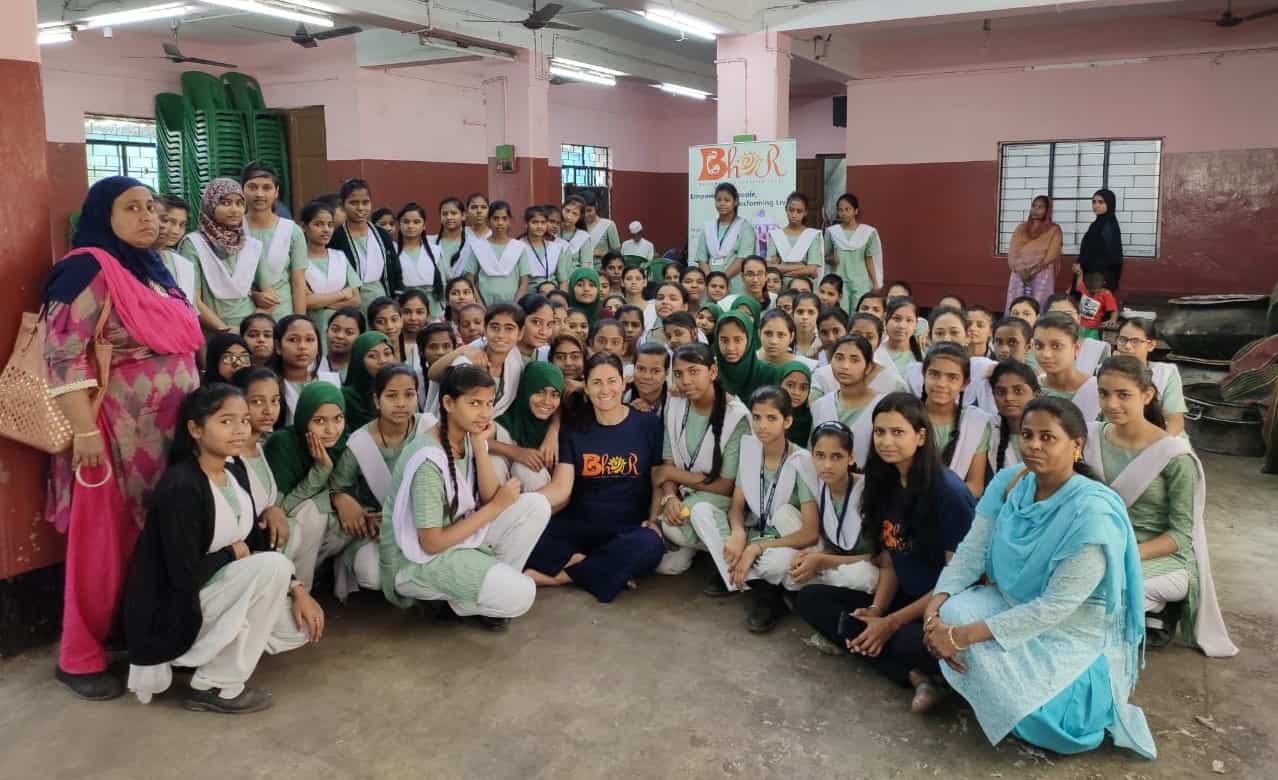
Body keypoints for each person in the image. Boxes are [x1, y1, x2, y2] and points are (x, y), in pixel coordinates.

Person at [44, 176, 204, 700]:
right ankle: (79, 655)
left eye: (152, 208)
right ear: (102, 215)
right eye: (131, 208)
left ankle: (136, 635)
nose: (148, 217)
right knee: (102, 544)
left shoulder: (155, 271)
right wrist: (84, 430)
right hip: (112, 435)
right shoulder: (88, 267)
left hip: (166, 433)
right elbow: (61, 354)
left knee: (151, 538)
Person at [924, 397, 1155, 758]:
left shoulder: (1092, 513)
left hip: (1070, 630)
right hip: (1012, 601)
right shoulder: (1008, 482)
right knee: (954, 610)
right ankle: (995, 693)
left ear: (1076, 445)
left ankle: (1027, 699)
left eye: (1048, 437)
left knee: (1061, 730)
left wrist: (959, 637)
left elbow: (1054, 607)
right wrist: (933, 611)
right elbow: (971, 552)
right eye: (1027, 435)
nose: (1033, 445)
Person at [124, 385, 322, 713]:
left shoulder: (233, 471)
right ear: (195, 429)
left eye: (244, 420)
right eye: (226, 421)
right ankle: (217, 684)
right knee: (271, 565)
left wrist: (297, 589)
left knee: (299, 627)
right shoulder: (182, 487)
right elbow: (182, 576)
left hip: (217, 594)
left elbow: (254, 543)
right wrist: (233, 554)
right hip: (176, 607)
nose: (240, 429)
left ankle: (213, 653)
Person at [795, 392, 975, 713]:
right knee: (812, 599)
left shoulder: (948, 493)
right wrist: (878, 610)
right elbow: (890, 560)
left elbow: (956, 582)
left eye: (897, 432)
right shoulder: (885, 481)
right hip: (901, 596)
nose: (886, 441)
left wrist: (890, 623)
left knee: (907, 640)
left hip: (940, 606)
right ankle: (914, 676)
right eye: (879, 432)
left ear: (920, 436)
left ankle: (914, 666)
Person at [379, 365, 552, 629]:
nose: (484, 413)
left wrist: (481, 446)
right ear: (448, 403)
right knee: (522, 594)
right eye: (474, 403)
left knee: (537, 505)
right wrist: (494, 507)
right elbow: (432, 543)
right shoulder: (428, 460)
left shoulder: (467, 435)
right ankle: (464, 599)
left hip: (456, 534)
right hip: (416, 560)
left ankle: (473, 594)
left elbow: (492, 495)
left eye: (489, 403)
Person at [1085, 357, 1236, 656]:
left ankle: (1161, 610)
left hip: (1163, 558)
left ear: (1147, 395)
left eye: (1123, 394)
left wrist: (1122, 552)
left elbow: (1181, 536)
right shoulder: (1089, 437)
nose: (1111, 403)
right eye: (1104, 393)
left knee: (1099, 590)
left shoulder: (1174, 456)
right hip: (1100, 546)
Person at [526, 354, 666, 601]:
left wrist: (654, 519)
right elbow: (561, 488)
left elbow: (657, 478)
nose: (605, 390)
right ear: (587, 388)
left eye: (612, 381)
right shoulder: (575, 428)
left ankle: (562, 576)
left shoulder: (648, 424)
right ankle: (605, 570)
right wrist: (518, 508)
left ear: (624, 384)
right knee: (529, 537)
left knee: (651, 545)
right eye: (597, 383)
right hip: (579, 526)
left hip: (626, 529)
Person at [695, 387, 821, 632]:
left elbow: (810, 533)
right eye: (756, 417)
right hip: (756, 531)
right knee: (701, 511)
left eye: (771, 418)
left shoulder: (802, 461)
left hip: (784, 542)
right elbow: (737, 506)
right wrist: (739, 532)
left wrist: (755, 547)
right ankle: (755, 582)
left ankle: (765, 592)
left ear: (788, 421)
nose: (762, 425)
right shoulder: (750, 449)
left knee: (774, 563)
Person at [655, 343, 752, 580]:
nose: (685, 380)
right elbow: (667, 460)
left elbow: (726, 485)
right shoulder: (675, 404)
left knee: (695, 513)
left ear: (713, 372)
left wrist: (671, 476)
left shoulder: (736, 416)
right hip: (689, 494)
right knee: (670, 536)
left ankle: (742, 566)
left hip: (723, 501)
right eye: (678, 374)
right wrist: (669, 498)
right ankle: (711, 546)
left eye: (693, 371)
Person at [330, 365, 427, 600]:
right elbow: (336, 486)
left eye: (409, 394)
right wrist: (343, 500)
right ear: (377, 400)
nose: (401, 403)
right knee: (372, 575)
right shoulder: (361, 442)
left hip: (425, 523)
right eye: (392, 396)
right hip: (378, 528)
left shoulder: (429, 429)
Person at [264, 382, 348, 591]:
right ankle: (299, 590)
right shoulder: (283, 444)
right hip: (278, 531)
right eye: (319, 421)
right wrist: (321, 469)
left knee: (345, 525)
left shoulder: (344, 444)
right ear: (303, 419)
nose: (330, 430)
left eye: (338, 419)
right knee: (314, 512)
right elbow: (281, 509)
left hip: (308, 536)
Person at [787, 422, 880, 598]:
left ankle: (816, 586)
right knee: (784, 518)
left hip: (864, 565)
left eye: (836, 456)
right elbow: (834, 544)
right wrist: (817, 556)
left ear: (850, 458)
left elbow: (882, 559)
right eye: (820, 456)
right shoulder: (817, 485)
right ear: (812, 456)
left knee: (863, 577)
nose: (827, 465)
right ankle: (818, 584)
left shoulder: (868, 491)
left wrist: (823, 560)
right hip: (833, 561)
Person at [181, 178, 262, 334]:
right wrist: (226, 331)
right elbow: (193, 300)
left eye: (239, 203)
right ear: (210, 205)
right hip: (212, 332)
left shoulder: (251, 245)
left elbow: (268, 295)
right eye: (225, 203)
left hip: (250, 333)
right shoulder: (193, 244)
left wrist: (250, 330)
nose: (235, 210)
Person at [426, 304, 526, 419]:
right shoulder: (465, 363)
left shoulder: (515, 362)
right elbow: (433, 374)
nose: (500, 335)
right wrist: (462, 350)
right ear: (485, 329)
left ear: (520, 333)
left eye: (509, 328)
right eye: (494, 327)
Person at [918, 342, 992, 497]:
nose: (941, 384)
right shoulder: (906, 415)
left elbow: (975, 485)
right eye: (934, 374)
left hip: (952, 508)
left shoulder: (974, 423)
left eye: (952, 377)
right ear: (924, 375)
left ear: (965, 384)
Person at [242, 162, 307, 321]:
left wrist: (298, 322)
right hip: (243, 314)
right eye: (252, 187)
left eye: (266, 188)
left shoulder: (292, 231)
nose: (259, 194)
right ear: (242, 190)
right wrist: (254, 295)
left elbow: (298, 283)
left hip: (282, 315)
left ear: (276, 192)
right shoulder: (233, 229)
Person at [811, 335, 885, 469]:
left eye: (854, 360)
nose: (845, 366)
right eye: (839, 358)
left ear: (868, 367)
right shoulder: (820, 405)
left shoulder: (883, 406)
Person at [489, 362, 564, 492]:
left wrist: (553, 431)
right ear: (526, 389)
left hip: (544, 504)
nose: (547, 401)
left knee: (526, 470)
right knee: (493, 461)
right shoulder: (506, 419)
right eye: (540, 392)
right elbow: (475, 441)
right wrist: (517, 452)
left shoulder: (560, 427)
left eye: (554, 395)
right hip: (498, 503)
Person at [327, 179, 401, 309]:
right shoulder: (336, 237)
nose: (360, 208)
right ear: (343, 205)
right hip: (352, 301)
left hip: (382, 298)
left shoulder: (381, 235)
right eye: (353, 203)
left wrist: (397, 298)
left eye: (365, 202)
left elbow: (395, 269)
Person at [1114, 317, 1188, 436]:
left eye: (1135, 341)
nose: (1127, 346)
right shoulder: (1107, 372)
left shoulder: (1165, 373)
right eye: (1122, 339)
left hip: (1162, 438)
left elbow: (1175, 421)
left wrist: (1159, 447)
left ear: (1151, 345)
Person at [299, 201, 360, 339]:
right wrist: (343, 294)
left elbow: (356, 299)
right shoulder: (298, 260)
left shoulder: (340, 257)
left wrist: (320, 303)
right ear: (304, 227)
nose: (326, 230)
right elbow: (306, 302)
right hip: (314, 329)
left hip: (343, 329)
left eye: (330, 225)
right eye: (318, 224)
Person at [454, 200, 527, 305]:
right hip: (484, 305)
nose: (500, 223)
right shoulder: (478, 247)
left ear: (509, 221)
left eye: (504, 218)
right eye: (495, 218)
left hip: (513, 306)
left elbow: (524, 282)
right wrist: (480, 305)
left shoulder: (519, 247)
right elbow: (470, 279)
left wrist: (515, 306)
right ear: (488, 221)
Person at [272, 315, 340, 424]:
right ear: (278, 347)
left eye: (309, 339)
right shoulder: (270, 385)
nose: (302, 346)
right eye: (293, 340)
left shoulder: (330, 382)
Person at [1035, 312, 1100, 421]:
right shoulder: (1032, 387)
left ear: (1076, 349)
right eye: (1039, 346)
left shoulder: (1097, 390)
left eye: (1056, 346)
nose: (1046, 354)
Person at [824, 193, 883, 313]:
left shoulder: (867, 232)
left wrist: (876, 283)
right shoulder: (832, 232)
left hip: (861, 281)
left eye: (847, 209)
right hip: (839, 281)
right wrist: (831, 259)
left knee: (859, 312)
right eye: (840, 210)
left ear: (856, 211)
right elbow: (824, 256)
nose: (843, 213)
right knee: (841, 312)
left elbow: (869, 258)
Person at [696, 183, 755, 295]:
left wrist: (722, 280)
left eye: (727, 200)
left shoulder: (744, 227)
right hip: (710, 285)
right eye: (719, 200)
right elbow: (702, 259)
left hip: (735, 284)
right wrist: (712, 281)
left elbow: (742, 259)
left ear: (735, 202)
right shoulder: (708, 228)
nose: (722, 203)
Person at [1006, 195, 1062, 312]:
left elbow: (1052, 255)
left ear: (1047, 210)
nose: (1035, 210)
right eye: (1034, 206)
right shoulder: (1021, 228)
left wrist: (1034, 271)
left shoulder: (1054, 230)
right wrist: (1019, 269)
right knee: (1017, 305)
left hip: (1041, 273)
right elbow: (1012, 252)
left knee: (1038, 306)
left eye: (1040, 207)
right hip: (1019, 273)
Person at [714, 311, 784, 403]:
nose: (730, 348)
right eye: (724, 340)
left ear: (749, 339)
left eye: (738, 340)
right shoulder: (711, 372)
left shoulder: (769, 374)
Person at [987, 360, 1040, 473]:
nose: (1009, 398)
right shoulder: (989, 431)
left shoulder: (1052, 432)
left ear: (1036, 394)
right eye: (1000, 392)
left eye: (1018, 391)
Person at [396, 203, 445, 317]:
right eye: (406, 222)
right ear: (399, 225)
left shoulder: (435, 251)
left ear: (424, 226)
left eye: (416, 222)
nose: (411, 226)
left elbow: (443, 282)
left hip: (433, 305)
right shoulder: (392, 251)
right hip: (404, 303)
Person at [342, 331, 397, 432]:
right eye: (372, 356)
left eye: (387, 353)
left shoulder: (399, 390)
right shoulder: (345, 397)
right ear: (358, 361)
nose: (383, 360)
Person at [767, 192, 822, 284]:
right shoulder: (775, 235)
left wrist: (783, 269)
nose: (794, 215)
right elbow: (769, 266)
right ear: (786, 209)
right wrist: (802, 266)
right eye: (791, 210)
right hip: (781, 287)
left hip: (805, 287)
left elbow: (812, 269)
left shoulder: (812, 235)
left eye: (799, 211)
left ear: (805, 212)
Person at [1077, 188, 1124, 295]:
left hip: (1100, 280)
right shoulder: (1097, 224)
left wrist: (1103, 282)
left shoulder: (1108, 226)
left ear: (1110, 204)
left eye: (1101, 202)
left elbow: (1112, 256)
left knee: (1095, 310)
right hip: (1091, 275)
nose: (1096, 205)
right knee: (1088, 310)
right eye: (1093, 202)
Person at [154, 193, 197, 304]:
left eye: (182, 224)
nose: (176, 231)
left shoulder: (182, 264)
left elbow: (191, 307)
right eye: (170, 222)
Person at [521, 206, 564, 291]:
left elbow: (563, 281)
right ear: (526, 224)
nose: (539, 226)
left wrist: (561, 297)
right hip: (530, 294)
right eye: (535, 222)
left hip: (553, 292)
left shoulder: (556, 248)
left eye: (543, 222)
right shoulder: (519, 246)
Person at [319, 308, 363, 381]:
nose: (340, 336)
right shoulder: (312, 367)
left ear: (360, 337)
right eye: (335, 330)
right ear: (326, 332)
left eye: (349, 332)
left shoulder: (364, 370)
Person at [1073, 269, 1119, 339]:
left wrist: (1113, 319)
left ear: (1103, 284)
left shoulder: (1106, 294)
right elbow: (1079, 284)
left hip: (1094, 328)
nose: (1093, 292)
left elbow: (1114, 310)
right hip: (1079, 325)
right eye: (1090, 290)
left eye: (1096, 290)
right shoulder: (1084, 288)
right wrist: (1080, 274)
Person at [882, 297, 923, 374]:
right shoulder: (875, 352)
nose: (902, 326)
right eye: (896, 319)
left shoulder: (924, 355)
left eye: (909, 320)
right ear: (885, 319)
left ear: (916, 324)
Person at [779, 360, 814, 447]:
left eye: (803, 388)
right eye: (790, 385)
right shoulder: (767, 412)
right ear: (779, 384)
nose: (796, 393)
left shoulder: (813, 418)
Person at [431, 197, 467, 281]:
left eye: (453, 213)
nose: (449, 217)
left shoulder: (471, 243)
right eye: (444, 214)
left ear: (463, 216)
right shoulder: (431, 243)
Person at [581, 194, 622, 267]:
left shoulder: (608, 225)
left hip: (602, 270)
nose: (586, 215)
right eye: (583, 212)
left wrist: (600, 253)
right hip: (581, 270)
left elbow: (617, 254)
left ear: (596, 207)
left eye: (589, 210)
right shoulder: (577, 227)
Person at [628, 342, 670, 415]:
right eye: (641, 369)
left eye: (656, 371)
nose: (647, 376)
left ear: (666, 374)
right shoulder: (622, 395)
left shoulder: (674, 400)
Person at [558, 195, 593, 279]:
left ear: (580, 217)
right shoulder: (552, 233)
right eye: (567, 211)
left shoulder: (583, 237)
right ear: (562, 209)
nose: (569, 216)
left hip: (575, 280)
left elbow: (585, 268)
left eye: (575, 214)